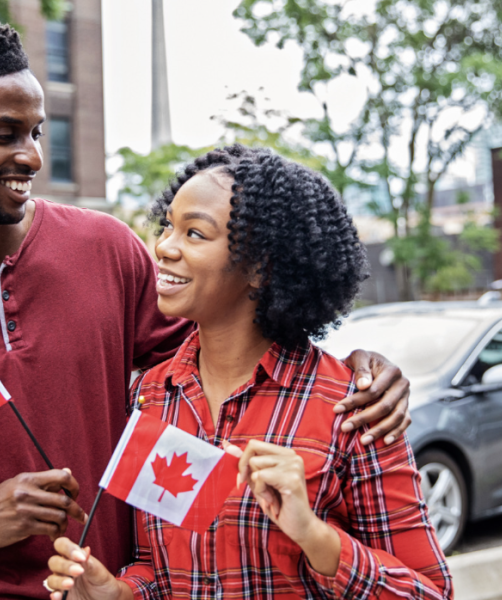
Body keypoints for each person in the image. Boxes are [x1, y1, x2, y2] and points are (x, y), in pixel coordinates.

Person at [0, 15, 409, 600]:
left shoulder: (104, 248)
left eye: (37, 132)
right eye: (4, 134)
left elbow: (229, 355)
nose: (33, 157)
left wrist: (356, 370)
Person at [46, 146, 452, 600]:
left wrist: (314, 536)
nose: (163, 247)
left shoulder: (354, 409)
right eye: (167, 227)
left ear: (261, 266)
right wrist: (120, 593)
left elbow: (431, 592)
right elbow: (161, 568)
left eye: (194, 233)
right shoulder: (150, 397)